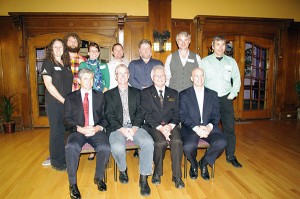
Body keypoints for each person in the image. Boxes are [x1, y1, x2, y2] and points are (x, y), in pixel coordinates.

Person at [104, 64, 154, 196]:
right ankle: (123, 169)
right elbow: (109, 114)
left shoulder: (137, 93)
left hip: (135, 127)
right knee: (117, 147)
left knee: (148, 143)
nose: (122, 76)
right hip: (117, 128)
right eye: (119, 73)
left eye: (125, 73)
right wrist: (121, 129)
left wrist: (134, 127)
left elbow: (140, 112)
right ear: (115, 76)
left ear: (128, 75)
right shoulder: (108, 94)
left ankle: (143, 178)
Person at [64, 68, 110, 199]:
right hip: (78, 130)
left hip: (95, 130)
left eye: (91, 78)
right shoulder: (70, 97)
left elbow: (106, 117)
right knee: (71, 147)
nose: (89, 81)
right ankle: (72, 184)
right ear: (78, 80)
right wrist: (80, 129)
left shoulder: (100, 96)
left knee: (105, 148)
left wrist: (97, 128)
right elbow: (66, 119)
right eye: (85, 78)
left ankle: (99, 178)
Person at [200, 35, 242, 168]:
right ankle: (209, 156)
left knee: (229, 128)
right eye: (217, 44)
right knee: (208, 128)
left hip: (225, 99)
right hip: (209, 100)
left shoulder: (231, 62)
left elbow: (237, 78)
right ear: (212, 46)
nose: (220, 47)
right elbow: (199, 79)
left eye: (223, 45)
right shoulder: (204, 62)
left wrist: (233, 94)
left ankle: (231, 156)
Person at [141, 65, 185, 189]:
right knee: (160, 143)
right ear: (152, 77)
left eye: (162, 75)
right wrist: (160, 128)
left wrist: (170, 126)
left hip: (171, 125)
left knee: (177, 141)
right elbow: (146, 114)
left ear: (166, 77)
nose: (160, 78)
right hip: (153, 126)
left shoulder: (174, 93)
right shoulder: (145, 93)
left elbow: (177, 114)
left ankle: (177, 177)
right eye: (157, 75)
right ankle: (157, 173)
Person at [179, 68, 227, 180]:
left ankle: (204, 163)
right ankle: (194, 165)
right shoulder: (184, 94)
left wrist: (209, 127)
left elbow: (216, 114)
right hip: (191, 127)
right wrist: (197, 128)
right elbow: (182, 115)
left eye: (201, 76)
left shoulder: (213, 94)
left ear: (204, 78)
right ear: (191, 78)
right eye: (196, 76)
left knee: (221, 142)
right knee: (188, 147)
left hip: (208, 126)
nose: (199, 78)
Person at [41, 38, 73, 170]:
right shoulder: (47, 63)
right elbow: (48, 85)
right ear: (51, 49)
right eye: (55, 47)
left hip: (66, 103)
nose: (58, 49)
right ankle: (56, 161)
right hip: (54, 103)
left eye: (61, 47)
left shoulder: (66, 63)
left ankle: (63, 157)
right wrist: (63, 100)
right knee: (56, 131)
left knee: (65, 131)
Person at [128, 39, 162, 158]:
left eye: (148, 48)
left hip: (154, 97)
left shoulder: (158, 63)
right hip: (137, 95)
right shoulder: (133, 64)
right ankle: (139, 145)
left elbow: (162, 78)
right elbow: (131, 79)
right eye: (143, 48)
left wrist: (151, 88)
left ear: (151, 50)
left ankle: (153, 142)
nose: (145, 51)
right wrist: (143, 88)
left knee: (151, 119)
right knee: (139, 119)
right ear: (139, 51)